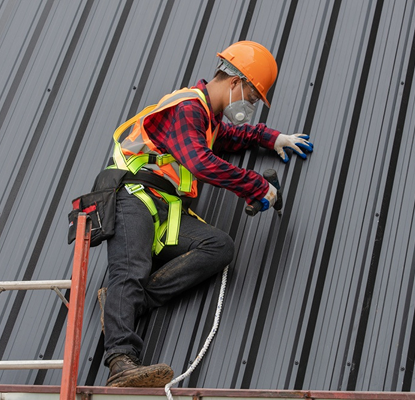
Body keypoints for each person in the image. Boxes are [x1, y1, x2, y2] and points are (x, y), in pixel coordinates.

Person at [97, 40, 313, 387]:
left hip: (164, 209)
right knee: (131, 267)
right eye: (252, 97)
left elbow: (231, 137)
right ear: (234, 83)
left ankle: (125, 303)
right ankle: (121, 363)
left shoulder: (207, 120)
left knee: (219, 247)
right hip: (132, 196)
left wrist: (272, 138)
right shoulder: (188, 108)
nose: (251, 106)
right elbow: (200, 161)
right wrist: (256, 186)